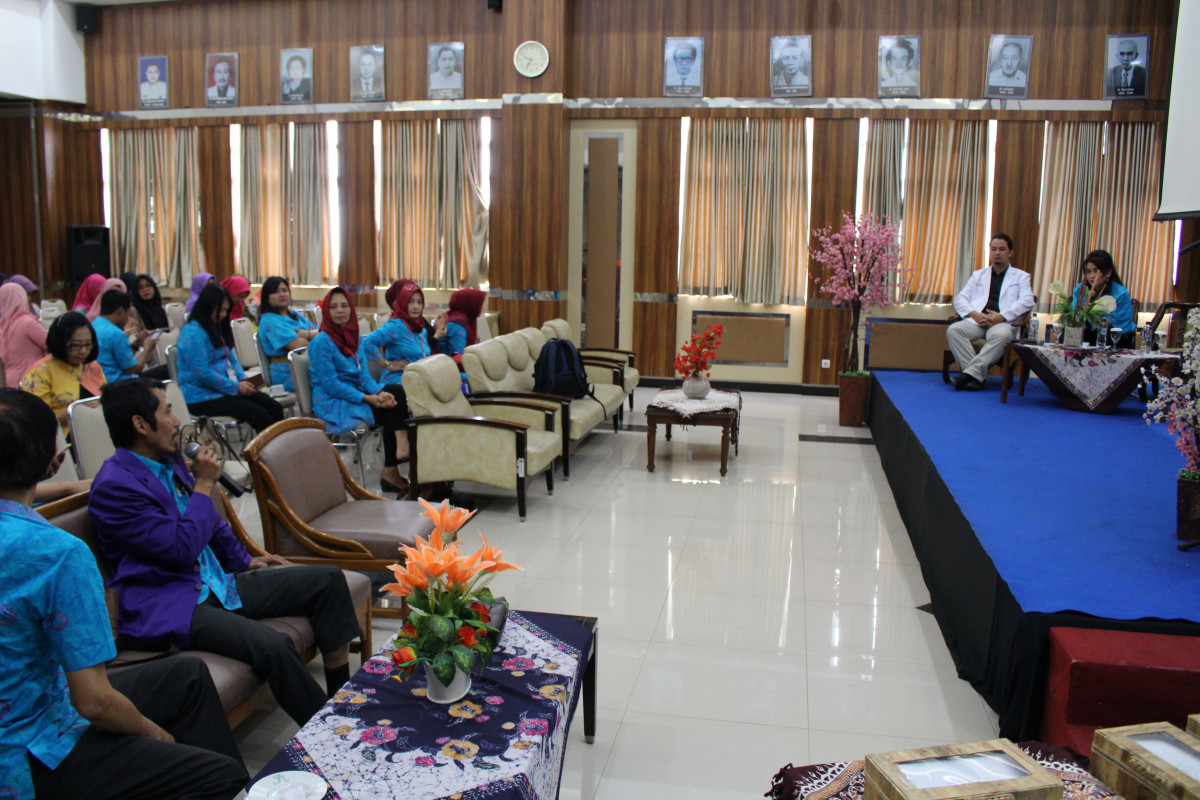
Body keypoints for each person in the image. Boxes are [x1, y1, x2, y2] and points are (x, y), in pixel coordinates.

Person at [0, 387, 248, 800]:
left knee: (186, 675)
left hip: (38, 701)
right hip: (30, 747)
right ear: (53, 459)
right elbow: (94, 703)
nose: (174, 420)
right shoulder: (56, 554)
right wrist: (157, 736)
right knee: (219, 774)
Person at [88, 378, 361, 726]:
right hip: (174, 600)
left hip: (216, 582)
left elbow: (212, 523)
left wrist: (243, 560)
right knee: (274, 645)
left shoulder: (169, 462)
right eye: (168, 412)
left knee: (327, 581)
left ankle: (340, 701)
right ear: (140, 424)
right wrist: (204, 483)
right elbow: (181, 549)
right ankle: (331, 734)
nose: (177, 422)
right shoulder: (115, 487)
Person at [309, 287, 411, 493]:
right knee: (390, 409)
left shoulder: (354, 338)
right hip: (333, 401)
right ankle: (393, 466)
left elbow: (363, 376)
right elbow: (331, 385)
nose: (340, 310)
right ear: (326, 311)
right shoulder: (321, 342)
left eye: (344, 305)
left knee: (394, 392)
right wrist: (368, 398)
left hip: (355, 393)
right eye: (333, 307)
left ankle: (395, 460)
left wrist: (378, 393)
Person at [177, 283, 284, 432]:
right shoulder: (193, 333)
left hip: (224, 389)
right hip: (201, 396)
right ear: (207, 306)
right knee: (258, 414)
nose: (223, 314)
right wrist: (236, 387)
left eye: (226, 310)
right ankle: (269, 447)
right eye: (221, 310)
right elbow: (202, 373)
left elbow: (230, 358)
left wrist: (242, 379)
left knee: (274, 407)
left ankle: (282, 444)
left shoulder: (214, 327)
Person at [946, 233, 1035, 391]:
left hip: (1003, 322)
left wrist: (1001, 316)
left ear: (1010, 253)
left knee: (1001, 335)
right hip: (978, 321)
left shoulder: (1021, 276)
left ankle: (969, 376)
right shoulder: (978, 275)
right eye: (993, 249)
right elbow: (960, 299)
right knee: (954, 330)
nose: (997, 253)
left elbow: (1028, 300)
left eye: (1002, 249)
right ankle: (975, 377)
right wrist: (974, 314)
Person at [20, 312, 106, 433]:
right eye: (75, 345)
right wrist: (76, 412)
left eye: (88, 345)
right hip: (59, 437)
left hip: (95, 431)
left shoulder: (92, 367)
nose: (83, 351)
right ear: (59, 342)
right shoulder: (41, 372)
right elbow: (37, 421)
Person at [362, 280, 435, 387]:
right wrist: (387, 364)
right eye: (410, 301)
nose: (416, 306)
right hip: (398, 382)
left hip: (418, 380)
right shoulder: (396, 325)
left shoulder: (421, 329)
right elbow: (367, 342)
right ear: (403, 303)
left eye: (419, 302)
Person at [257, 276, 318, 390]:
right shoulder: (269, 321)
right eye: (275, 292)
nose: (282, 294)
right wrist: (312, 334)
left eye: (284, 290)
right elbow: (300, 346)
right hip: (288, 372)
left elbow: (324, 334)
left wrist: (307, 334)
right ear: (266, 297)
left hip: (308, 365)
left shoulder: (295, 315)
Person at [93, 290, 163, 383]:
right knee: (167, 370)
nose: (128, 318)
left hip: (97, 381)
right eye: (128, 313)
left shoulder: (93, 325)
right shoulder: (116, 334)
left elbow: (123, 362)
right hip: (117, 384)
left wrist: (136, 344)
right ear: (120, 311)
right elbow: (132, 370)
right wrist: (147, 349)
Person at [1072, 249, 1135, 347]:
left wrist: (1093, 314)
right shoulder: (1080, 290)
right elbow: (1075, 314)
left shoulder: (1121, 294)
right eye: (1088, 272)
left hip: (1115, 339)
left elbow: (1117, 323)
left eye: (1096, 271)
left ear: (1108, 272)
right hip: (1086, 335)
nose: (1091, 276)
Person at [0, 282, 48, 387]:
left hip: (10, 382)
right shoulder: (27, 323)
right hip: (31, 381)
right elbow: (51, 345)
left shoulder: (3, 326)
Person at [435, 287, 486, 363]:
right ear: (469, 304)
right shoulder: (458, 323)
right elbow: (457, 356)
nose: (481, 308)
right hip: (447, 366)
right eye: (478, 304)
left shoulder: (461, 318)